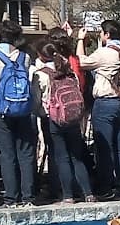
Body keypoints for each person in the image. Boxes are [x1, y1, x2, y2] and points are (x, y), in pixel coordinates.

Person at [0, 20, 38, 206]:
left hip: (2, 111)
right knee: (26, 153)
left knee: (7, 154)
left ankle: (11, 197)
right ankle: (28, 195)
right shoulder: (25, 57)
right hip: (23, 111)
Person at [81, 19, 120, 198]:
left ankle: (106, 188)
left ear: (106, 35)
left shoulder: (105, 53)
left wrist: (79, 41)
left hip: (105, 103)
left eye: (101, 33)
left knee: (104, 147)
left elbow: (82, 63)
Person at [35, 39, 93, 204]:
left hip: (54, 120)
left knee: (62, 158)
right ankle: (88, 193)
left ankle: (68, 195)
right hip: (74, 118)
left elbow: (37, 102)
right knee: (77, 157)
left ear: (41, 55)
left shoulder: (41, 74)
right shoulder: (69, 72)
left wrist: (42, 113)